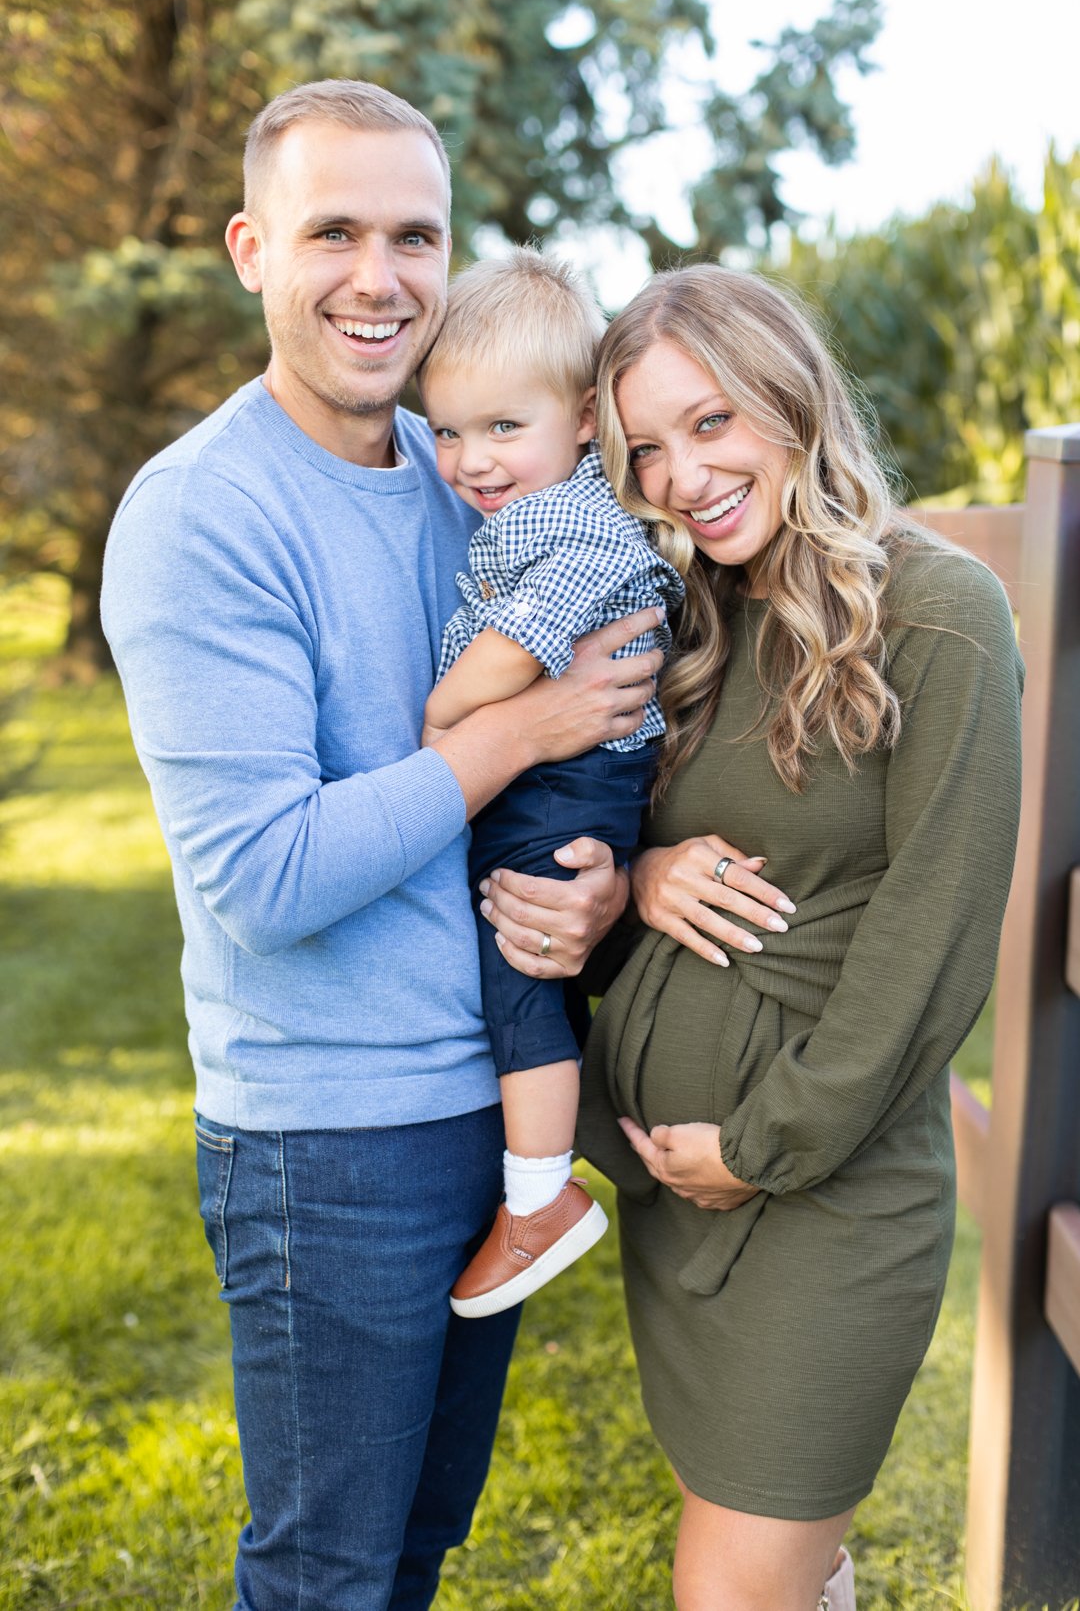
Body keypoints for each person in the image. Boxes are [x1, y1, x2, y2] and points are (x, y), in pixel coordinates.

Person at [100, 79, 667, 1611]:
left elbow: (601, 733)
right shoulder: (198, 517)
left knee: (417, 1550)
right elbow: (266, 878)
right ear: (250, 250)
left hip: (488, 1102)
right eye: (332, 230)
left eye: (413, 234)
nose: (380, 275)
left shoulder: (469, 469)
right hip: (327, 1141)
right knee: (327, 1574)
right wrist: (512, 734)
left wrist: (613, 878)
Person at [576, 264, 1023, 1611]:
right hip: (681, 1208)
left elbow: (936, 930)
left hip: (825, 1198)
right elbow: (610, 836)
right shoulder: (696, 618)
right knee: (774, 1566)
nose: (680, 474)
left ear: (792, 398)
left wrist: (768, 1146)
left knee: (729, 1591)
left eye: (710, 423)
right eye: (644, 447)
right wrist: (646, 873)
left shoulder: (939, 614)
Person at [415, 248, 685, 1318]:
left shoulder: (565, 521)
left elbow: (515, 653)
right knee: (529, 961)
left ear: (582, 419)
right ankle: (543, 1175)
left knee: (522, 967)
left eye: (500, 428)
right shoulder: (537, 507)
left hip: (572, 782)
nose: (471, 460)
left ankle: (541, 1200)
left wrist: (441, 719)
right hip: (571, 774)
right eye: (446, 430)